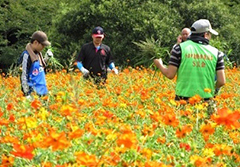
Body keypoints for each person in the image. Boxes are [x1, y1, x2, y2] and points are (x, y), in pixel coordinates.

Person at [154, 19, 225, 101]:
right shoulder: (217, 53)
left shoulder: (179, 49)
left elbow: (170, 75)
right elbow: (222, 81)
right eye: (210, 34)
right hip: (206, 99)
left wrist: (159, 65)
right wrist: (211, 89)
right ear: (205, 35)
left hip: (183, 99)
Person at [18, 31, 52, 98]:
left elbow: (39, 69)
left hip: (42, 91)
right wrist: (26, 93)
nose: (44, 47)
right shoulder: (26, 55)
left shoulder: (38, 54)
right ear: (36, 42)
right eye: (42, 45)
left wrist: (47, 58)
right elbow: (24, 74)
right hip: (33, 94)